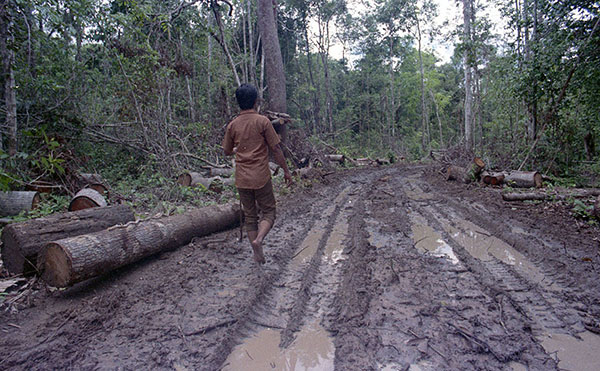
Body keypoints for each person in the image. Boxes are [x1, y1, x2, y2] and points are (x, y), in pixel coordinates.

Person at [222, 83, 293, 264]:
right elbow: (276, 149)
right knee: (269, 212)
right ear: (255, 101)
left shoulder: (232, 125)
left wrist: (239, 148)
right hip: (261, 175)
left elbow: (227, 151)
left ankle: (256, 253)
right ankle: (259, 239)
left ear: (238, 103)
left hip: (242, 178)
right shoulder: (263, 121)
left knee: (250, 216)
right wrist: (286, 171)